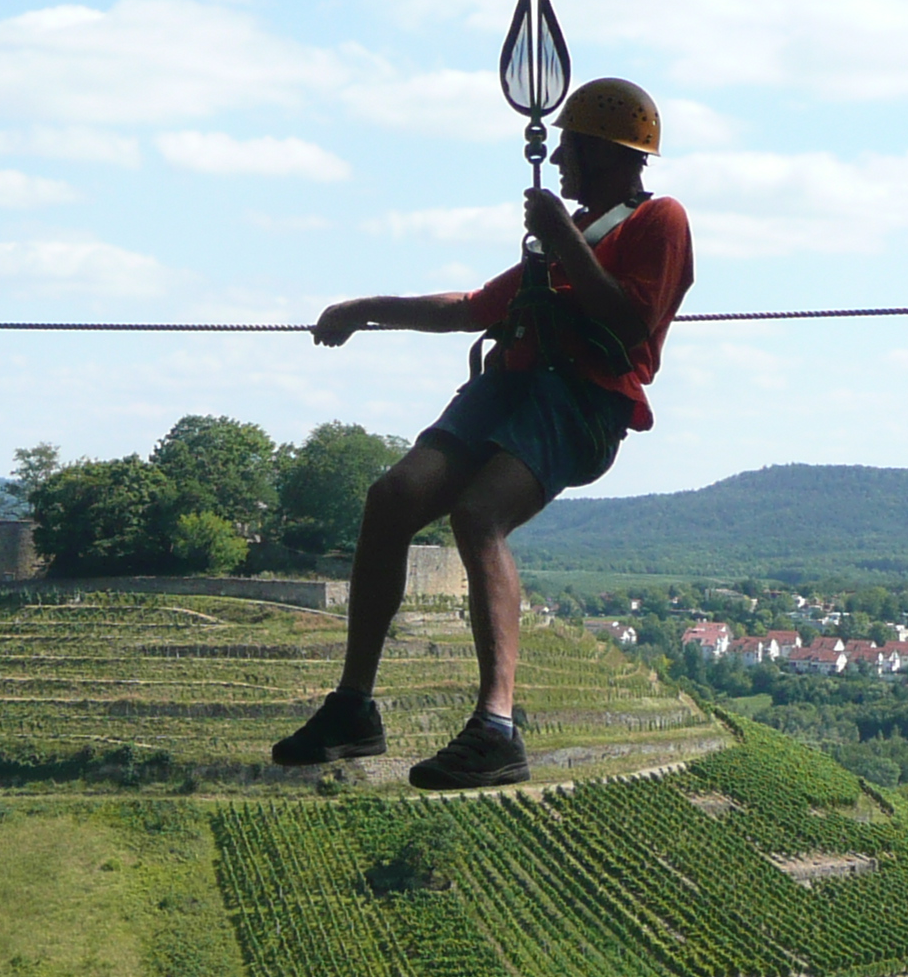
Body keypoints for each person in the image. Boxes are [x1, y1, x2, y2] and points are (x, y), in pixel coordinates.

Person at [271, 77, 694, 790]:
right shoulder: (572, 237)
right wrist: (363, 310)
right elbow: (473, 309)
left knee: (478, 515)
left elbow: (628, 321)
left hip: (579, 401)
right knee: (392, 498)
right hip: (509, 388)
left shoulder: (659, 221)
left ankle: (496, 726)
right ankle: (353, 707)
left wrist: (562, 235)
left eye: (569, 147)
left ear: (604, 154)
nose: (557, 160)